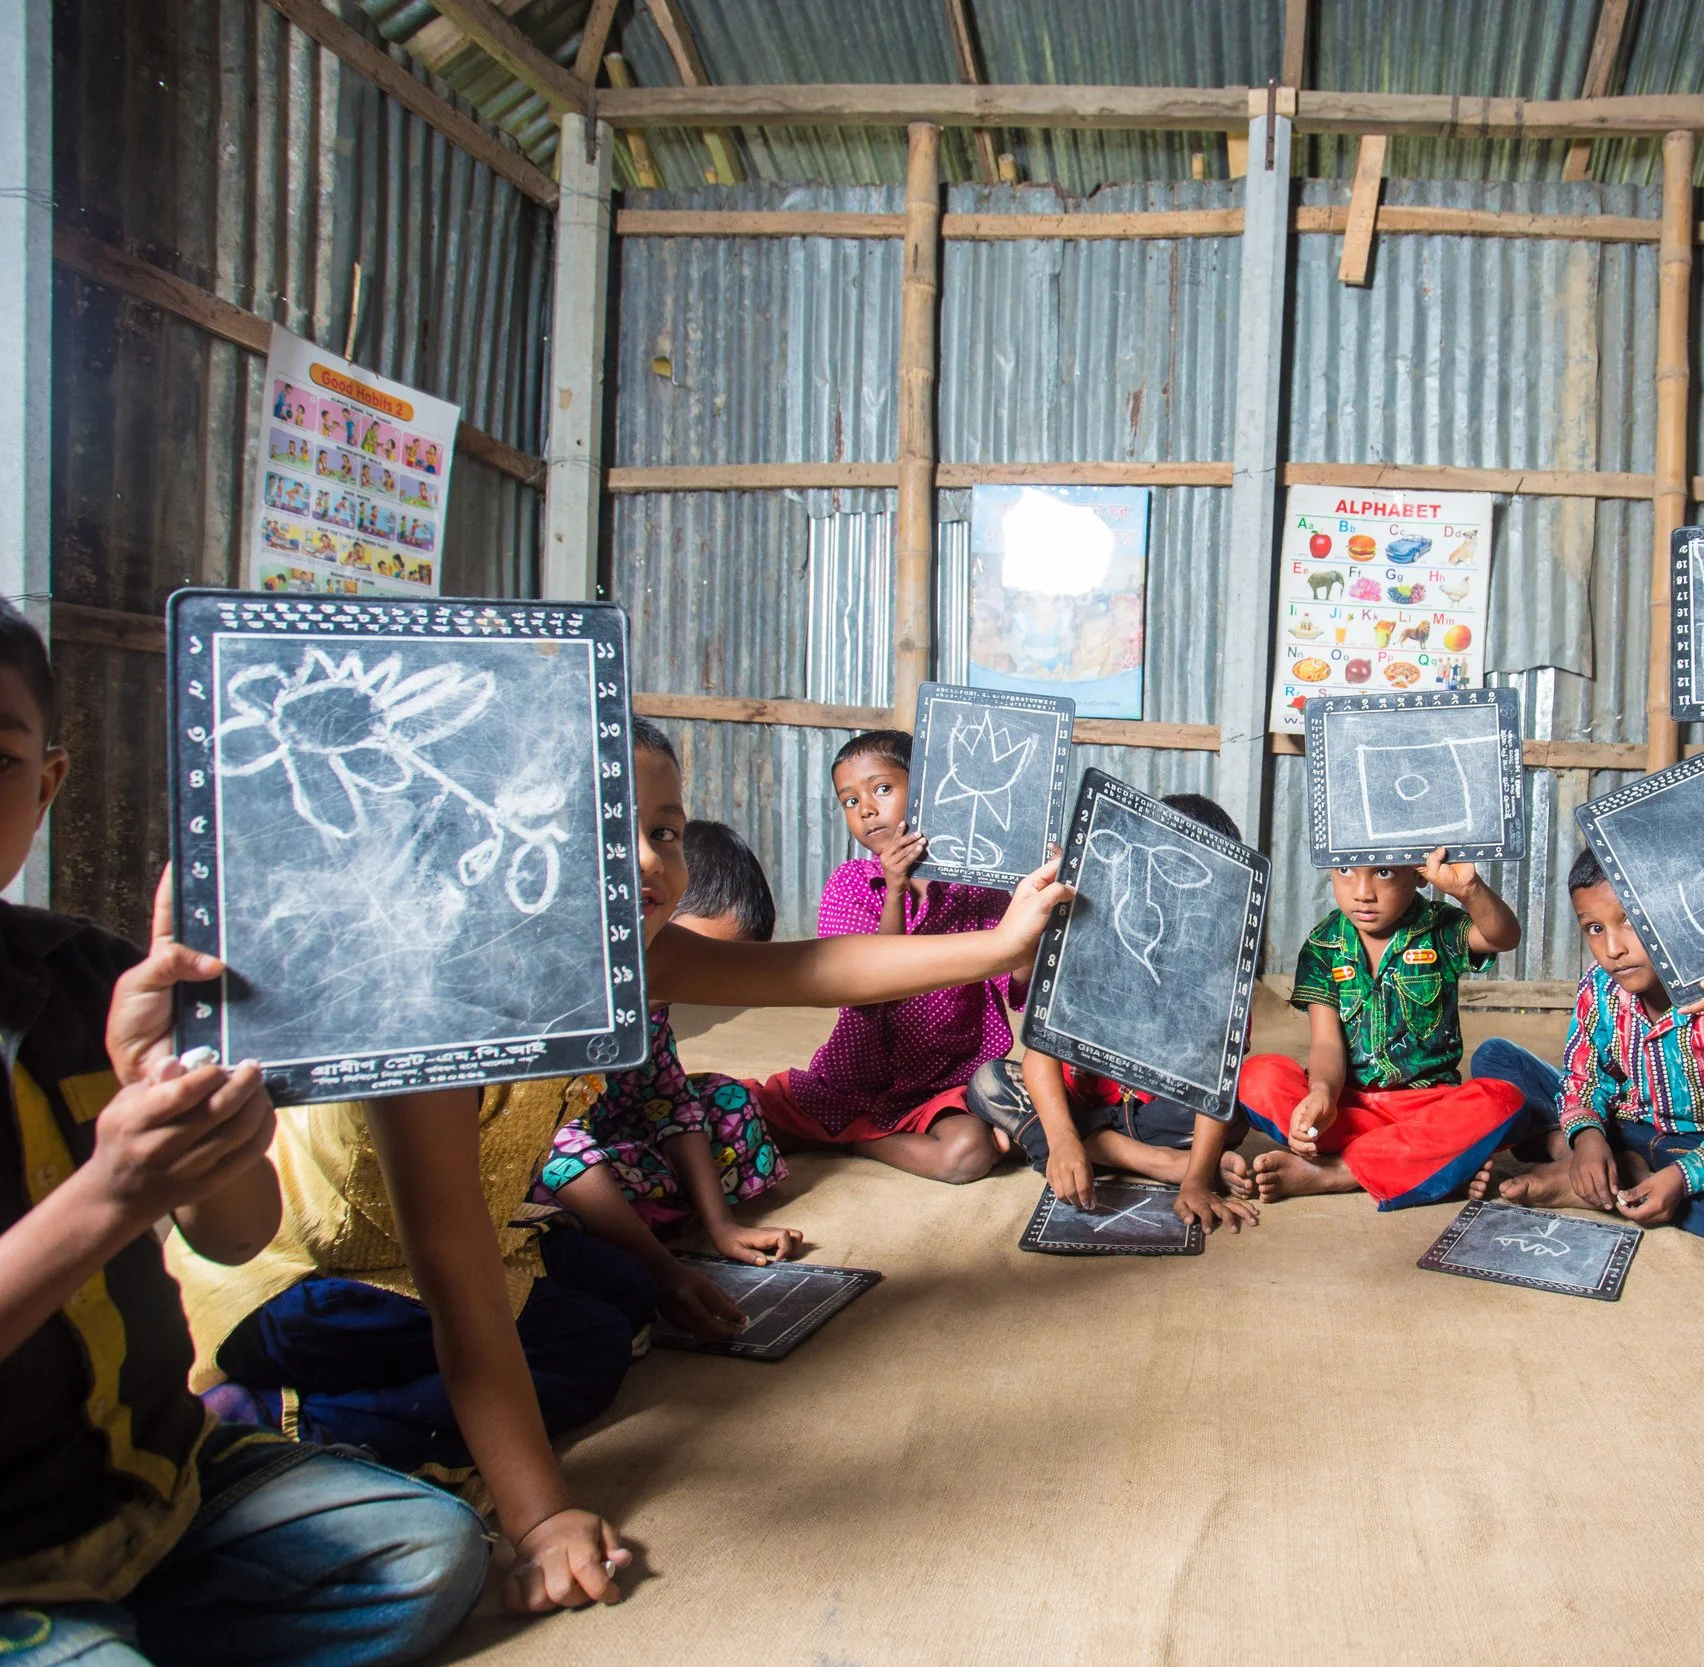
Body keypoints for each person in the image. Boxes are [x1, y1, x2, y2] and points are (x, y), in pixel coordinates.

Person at [171, 719, 1073, 1610]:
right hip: (307, 1278)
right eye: (606, 831)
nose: (648, 859)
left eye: (664, 831)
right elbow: (455, 1274)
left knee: (627, 1292)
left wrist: (1001, 944)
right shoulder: (440, 1005)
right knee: (588, 1348)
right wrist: (539, 1519)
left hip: (452, 1252)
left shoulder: (626, 956)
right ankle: (267, 1420)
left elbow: (818, 966)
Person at [0, 599, 488, 1660]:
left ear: (47, 783)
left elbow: (231, 1229)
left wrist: (177, 1097)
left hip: (159, 1483)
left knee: (433, 1549)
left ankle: (116, 1622)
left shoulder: (87, 977)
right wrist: (107, 1195)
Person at [532, 804, 806, 1348]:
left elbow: (671, 1102)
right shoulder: (567, 1005)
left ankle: (641, 1210)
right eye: (699, 958)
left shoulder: (652, 1012)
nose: (709, 983)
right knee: (566, 1181)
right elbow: (557, 1147)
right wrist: (664, 1269)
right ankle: (628, 1223)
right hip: (552, 1155)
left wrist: (721, 1225)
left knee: (725, 1099)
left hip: (620, 1136)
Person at [1466, 850, 1704, 1243]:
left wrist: (1684, 1179)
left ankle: (1619, 1182)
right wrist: (1588, 1138)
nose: (1613, 948)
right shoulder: (1599, 985)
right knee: (1495, 1057)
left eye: (1629, 921)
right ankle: (1592, 1161)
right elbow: (1585, 1078)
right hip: (1619, 1126)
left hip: (1695, 1147)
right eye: (1594, 928)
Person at [966, 794, 1259, 1236]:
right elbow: (1040, 1052)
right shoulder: (1089, 937)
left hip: (1162, 1116)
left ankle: (1104, 1152)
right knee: (988, 1082)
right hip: (1085, 1106)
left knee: (1238, 1103)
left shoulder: (1219, 971)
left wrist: (1198, 1179)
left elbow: (1213, 1085)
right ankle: (1127, 1156)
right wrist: (1064, 1139)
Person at [747, 731, 1020, 1184]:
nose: (867, 809)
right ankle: (840, 1126)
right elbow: (863, 989)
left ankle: (851, 1139)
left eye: (882, 789)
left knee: (966, 1156)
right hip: (850, 1082)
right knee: (722, 1111)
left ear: (934, 787)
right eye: (850, 801)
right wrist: (895, 890)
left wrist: (1033, 909)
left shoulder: (976, 888)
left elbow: (1017, 987)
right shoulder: (850, 883)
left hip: (943, 1087)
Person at [1237, 851, 1524, 1208]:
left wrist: (1469, 889)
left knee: (1503, 1099)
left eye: (1384, 872)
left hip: (1427, 1106)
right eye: (1345, 870)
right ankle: (1425, 1162)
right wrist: (1323, 1094)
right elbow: (1327, 1045)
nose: (1362, 892)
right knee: (1255, 1077)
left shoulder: (1441, 928)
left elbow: (1503, 937)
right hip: (1347, 1110)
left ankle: (1339, 1171)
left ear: (1419, 874)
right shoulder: (1323, 944)